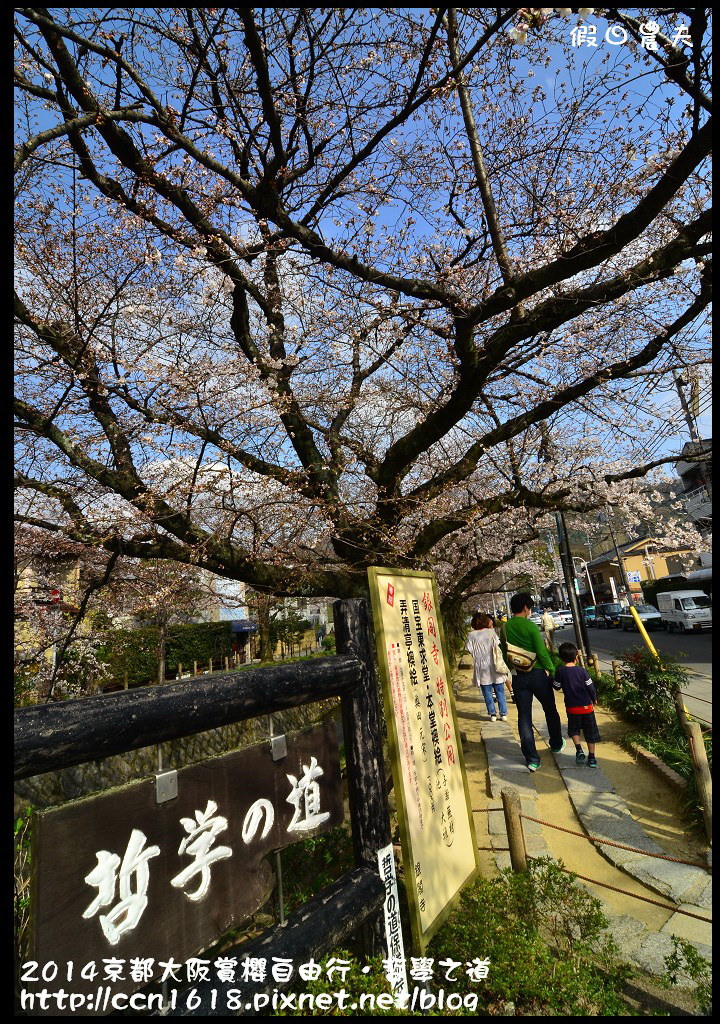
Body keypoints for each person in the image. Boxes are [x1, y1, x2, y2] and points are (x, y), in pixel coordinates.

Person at [500, 592, 564, 771]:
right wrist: (551, 669)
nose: (530, 611)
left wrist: (512, 668)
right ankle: (557, 743)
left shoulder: (504, 628)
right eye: (530, 608)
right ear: (526, 608)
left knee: (524, 717)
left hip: (519, 678)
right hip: (537, 676)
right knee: (550, 710)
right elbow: (541, 652)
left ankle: (532, 759)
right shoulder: (530, 627)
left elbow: (504, 652)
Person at [553, 640, 601, 768]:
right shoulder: (582, 671)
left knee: (574, 729)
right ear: (576, 657)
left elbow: (556, 687)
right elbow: (590, 687)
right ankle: (592, 758)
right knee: (590, 732)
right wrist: (594, 698)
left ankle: (579, 749)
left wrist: (550, 678)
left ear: (562, 658)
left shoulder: (560, 672)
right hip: (586, 707)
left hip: (572, 708)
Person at [465, 612, 512, 721]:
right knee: (500, 690)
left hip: (481, 667)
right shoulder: (491, 632)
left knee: (487, 692)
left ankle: (492, 714)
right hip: (494, 664)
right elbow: (497, 645)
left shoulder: (471, 635)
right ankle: (503, 713)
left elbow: (470, 651)